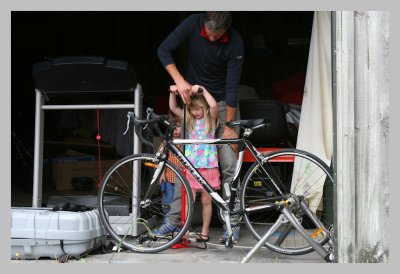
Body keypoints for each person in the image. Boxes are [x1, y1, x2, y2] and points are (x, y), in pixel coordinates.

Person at [157, 11, 244, 243]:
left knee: (228, 164)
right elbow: (163, 50)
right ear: (203, 24)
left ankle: (231, 222)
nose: (213, 39)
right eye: (209, 34)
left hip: (223, 105)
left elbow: (233, 88)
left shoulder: (236, 43)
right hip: (194, 102)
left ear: (227, 28)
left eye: (219, 35)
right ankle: (174, 221)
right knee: (183, 164)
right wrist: (179, 80)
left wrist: (228, 126)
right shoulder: (193, 22)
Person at [170, 84, 220, 242]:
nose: (195, 112)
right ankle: (185, 230)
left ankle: (205, 231)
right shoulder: (189, 119)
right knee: (188, 201)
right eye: (193, 109)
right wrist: (172, 92)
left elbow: (213, 105)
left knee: (206, 201)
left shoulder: (210, 120)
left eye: (198, 109)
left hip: (208, 166)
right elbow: (173, 107)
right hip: (191, 166)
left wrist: (203, 90)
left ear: (204, 108)